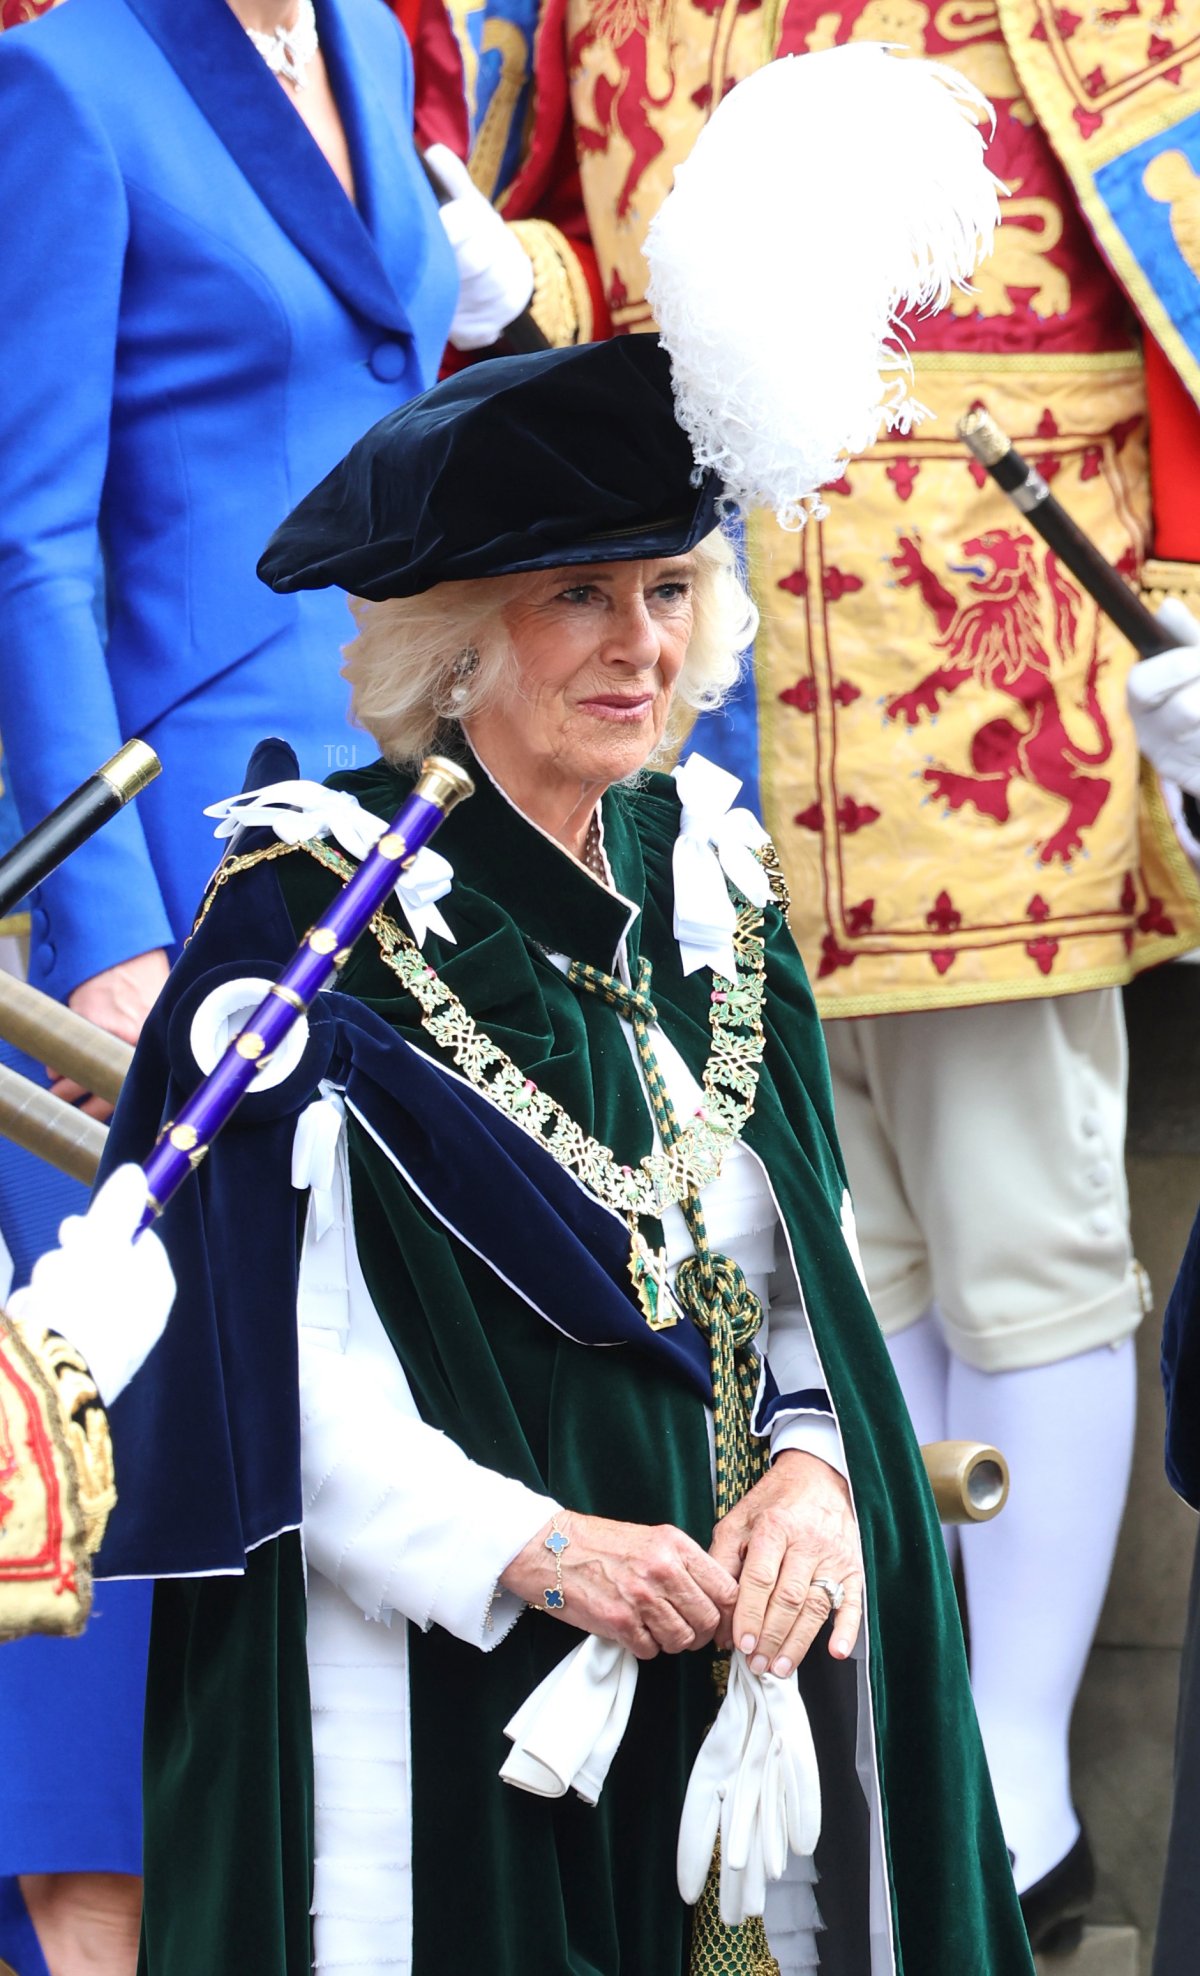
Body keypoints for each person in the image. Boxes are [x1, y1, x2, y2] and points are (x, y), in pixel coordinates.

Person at [398, 0, 1200, 1948]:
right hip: (716, 724)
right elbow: (602, 256)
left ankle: (1009, 1758)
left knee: (1028, 1239)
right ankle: (899, 1718)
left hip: (1001, 701)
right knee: (845, 1265)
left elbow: (1172, 281)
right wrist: (524, 274)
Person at [93, 334, 1035, 1975]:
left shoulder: (720, 893)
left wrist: (817, 1475)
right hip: (436, 1706)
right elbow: (245, 1376)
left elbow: (795, 1280)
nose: (641, 646)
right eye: (578, 597)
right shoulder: (306, 921)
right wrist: (530, 1551)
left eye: (668, 590)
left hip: (739, 1683)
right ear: (456, 648)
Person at [0, 0, 522, 1965]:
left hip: (394, 855)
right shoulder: (70, 79)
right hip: (182, 881)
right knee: (127, 1544)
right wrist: (110, 934)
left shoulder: (380, 62)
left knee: (350, 1523)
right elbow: (25, 539)